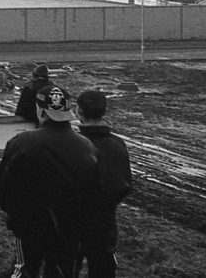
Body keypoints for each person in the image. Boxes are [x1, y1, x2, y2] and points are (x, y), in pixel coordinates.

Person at [0, 84, 101, 278]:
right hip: (70, 228)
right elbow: (94, 194)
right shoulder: (87, 147)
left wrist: (15, 215)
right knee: (62, 272)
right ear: (67, 112)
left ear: (41, 111)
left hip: (29, 227)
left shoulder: (22, 142)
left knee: (25, 271)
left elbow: (4, 186)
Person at [76, 90, 132, 278]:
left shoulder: (72, 143)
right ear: (104, 111)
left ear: (78, 110)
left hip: (73, 223)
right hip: (105, 223)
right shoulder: (118, 144)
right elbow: (125, 184)